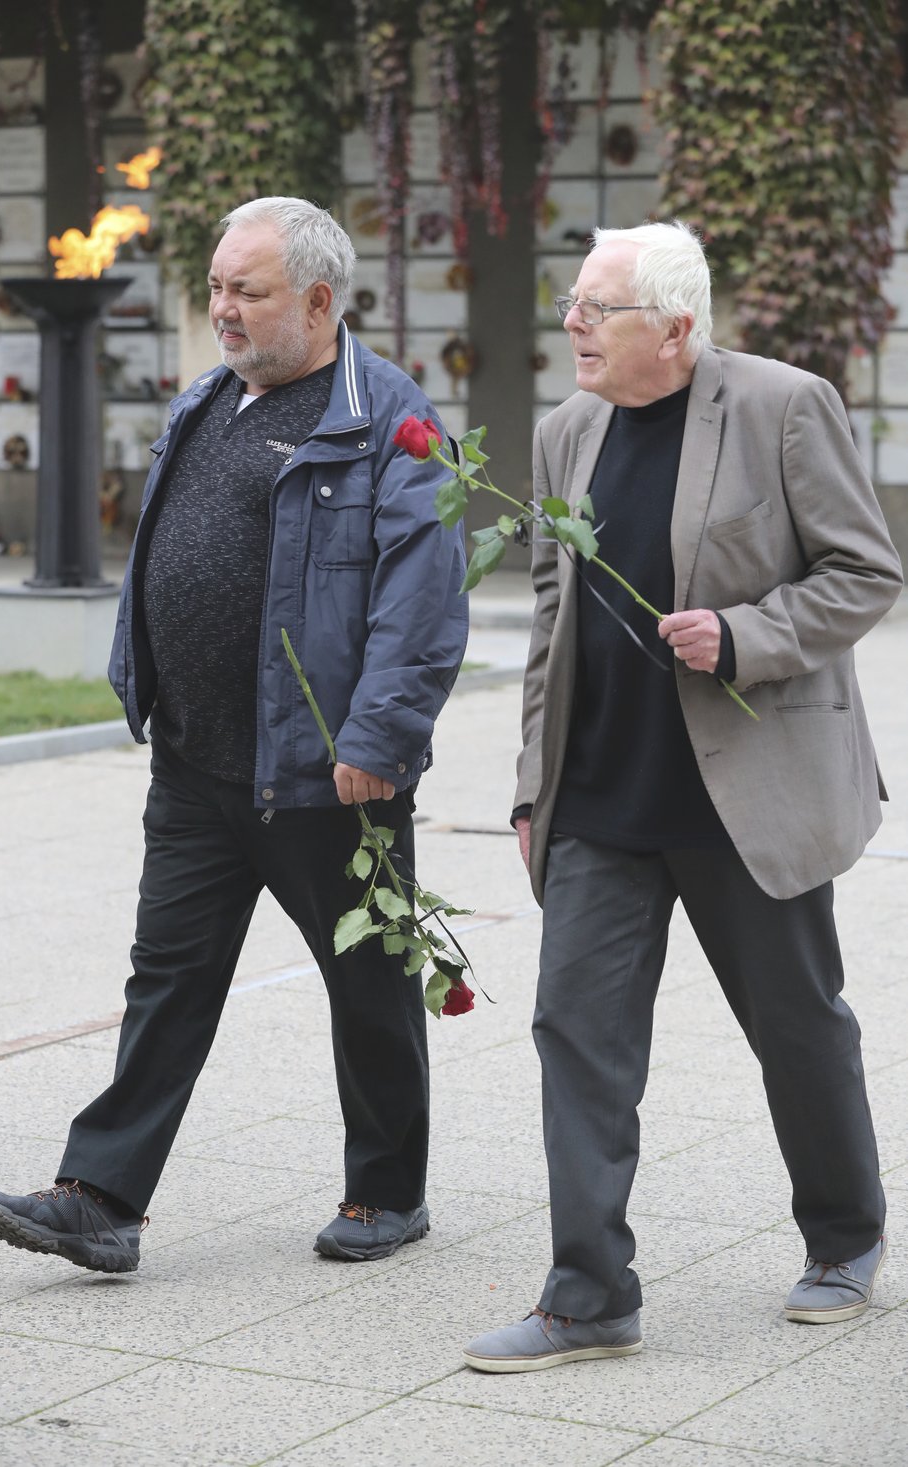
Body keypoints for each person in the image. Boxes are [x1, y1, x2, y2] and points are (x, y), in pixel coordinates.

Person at [0, 196, 468, 1273]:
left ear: (319, 299)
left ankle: (387, 1194)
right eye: (215, 288)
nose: (223, 311)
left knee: (371, 985)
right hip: (197, 763)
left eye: (247, 292)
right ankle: (101, 1197)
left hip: (326, 772)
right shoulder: (211, 399)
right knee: (168, 978)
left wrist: (379, 736)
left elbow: (423, 600)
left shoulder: (390, 419)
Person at [463, 220, 903, 1373]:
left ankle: (845, 1239)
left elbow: (867, 572)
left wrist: (746, 634)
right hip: (604, 797)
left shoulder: (782, 405)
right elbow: (553, 623)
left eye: (595, 310)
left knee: (798, 1027)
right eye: (572, 304)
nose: (572, 326)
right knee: (578, 1037)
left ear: (674, 326)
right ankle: (589, 1294)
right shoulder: (567, 433)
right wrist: (529, 793)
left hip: (744, 793)